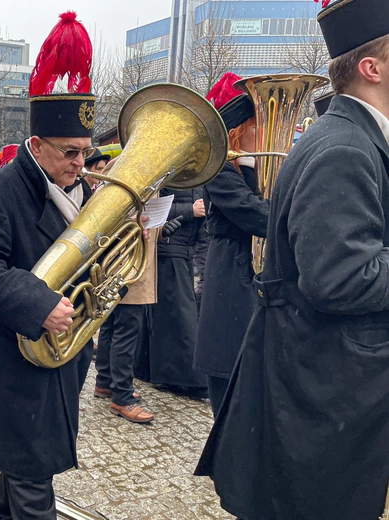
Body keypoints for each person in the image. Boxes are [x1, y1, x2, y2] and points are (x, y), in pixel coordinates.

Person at [196, 2, 389, 519]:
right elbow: (340, 277)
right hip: (327, 396)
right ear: (372, 68)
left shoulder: (351, 140)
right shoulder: (345, 148)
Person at [0, 12, 98, 518]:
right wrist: (39, 303)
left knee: (23, 464)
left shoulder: (81, 189)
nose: (79, 163)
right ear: (36, 146)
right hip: (19, 353)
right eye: (69, 153)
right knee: (33, 469)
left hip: (64, 351)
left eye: (85, 152)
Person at [192, 73, 270, 417]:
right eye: (259, 126)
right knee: (229, 375)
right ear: (241, 130)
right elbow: (257, 215)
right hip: (230, 274)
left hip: (255, 278)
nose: (265, 135)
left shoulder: (263, 167)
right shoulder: (220, 172)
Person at [95, 215, 183, 423]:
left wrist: (161, 230)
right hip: (130, 265)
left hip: (120, 263)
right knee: (126, 331)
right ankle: (122, 397)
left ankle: (105, 381)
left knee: (111, 326)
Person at [133, 186, 208, 399]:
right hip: (168, 244)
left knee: (170, 312)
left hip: (181, 248)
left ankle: (149, 369)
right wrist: (188, 210)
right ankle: (185, 377)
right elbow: (150, 209)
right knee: (179, 314)